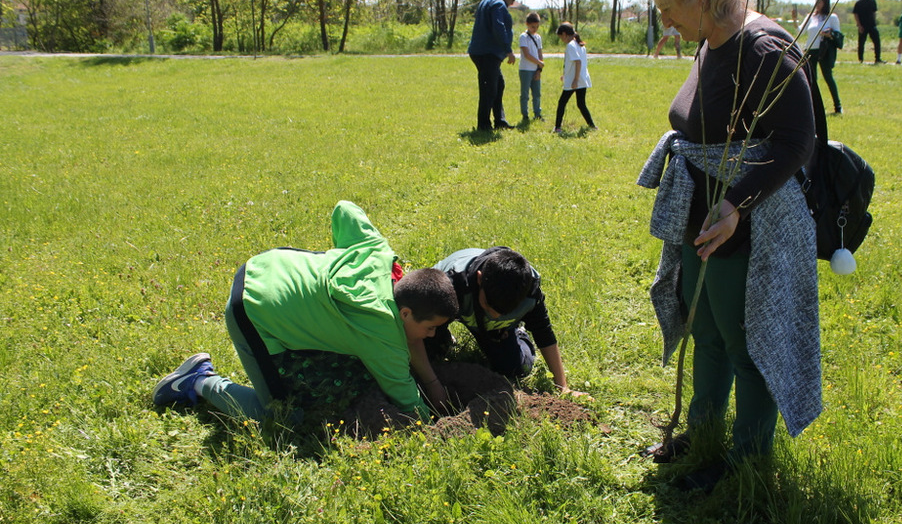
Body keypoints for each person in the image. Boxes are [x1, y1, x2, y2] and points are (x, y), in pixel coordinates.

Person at [636, 0, 821, 493]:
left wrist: (738, 203)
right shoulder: (710, 38)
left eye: (669, 10)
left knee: (747, 344)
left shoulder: (763, 47)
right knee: (707, 332)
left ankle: (743, 461)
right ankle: (703, 431)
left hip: (747, 224)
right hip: (702, 212)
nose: (666, 23)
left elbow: (798, 142)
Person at [152, 201, 460, 422]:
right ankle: (198, 380)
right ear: (405, 313)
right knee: (280, 415)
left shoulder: (378, 253)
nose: (431, 335)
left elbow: (345, 209)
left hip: (269, 264)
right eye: (430, 328)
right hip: (252, 309)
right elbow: (405, 396)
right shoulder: (383, 335)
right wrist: (431, 421)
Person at [416, 247, 584, 396]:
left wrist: (563, 387)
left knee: (514, 368)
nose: (495, 316)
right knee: (426, 353)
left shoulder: (528, 289)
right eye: (489, 306)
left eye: (504, 312)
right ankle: (443, 337)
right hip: (446, 307)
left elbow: (544, 332)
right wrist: (432, 385)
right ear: (480, 279)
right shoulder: (453, 283)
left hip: (490, 328)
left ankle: (517, 334)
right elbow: (416, 324)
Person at [469, 0, 519, 131]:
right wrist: (507, 49)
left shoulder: (488, 0)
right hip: (488, 53)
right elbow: (498, 26)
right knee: (489, 89)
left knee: (498, 85)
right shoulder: (498, 4)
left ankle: (500, 121)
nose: (512, 3)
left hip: (480, 51)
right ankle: (484, 125)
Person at [802, 0, 843, 115]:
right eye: (816, 1)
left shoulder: (832, 17)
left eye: (819, 2)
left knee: (828, 77)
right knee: (811, 79)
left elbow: (838, 35)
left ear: (825, 3)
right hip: (811, 50)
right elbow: (800, 30)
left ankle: (838, 106)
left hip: (824, 50)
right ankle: (813, 107)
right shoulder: (811, 17)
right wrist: (794, 19)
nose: (817, 4)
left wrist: (828, 34)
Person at [553, 22, 596, 133]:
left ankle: (557, 127)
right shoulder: (579, 44)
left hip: (575, 81)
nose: (561, 40)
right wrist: (566, 75)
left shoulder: (571, 45)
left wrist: (575, 80)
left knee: (562, 103)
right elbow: (572, 64)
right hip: (581, 78)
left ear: (564, 34)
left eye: (560, 37)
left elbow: (577, 62)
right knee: (581, 104)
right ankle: (592, 126)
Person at [518, 12, 545, 121]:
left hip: (535, 69)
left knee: (537, 93)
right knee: (525, 94)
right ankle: (525, 115)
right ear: (527, 24)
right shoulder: (523, 37)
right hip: (525, 69)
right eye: (533, 27)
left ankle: (537, 114)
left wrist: (539, 69)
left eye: (537, 27)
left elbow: (540, 53)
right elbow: (527, 54)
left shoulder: (538, 37)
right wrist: (539, 62)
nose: (535, 29)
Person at [852, 0, 884, 64]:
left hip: (872, 25)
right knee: (861, 42)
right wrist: (859, 25)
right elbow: (856, 14)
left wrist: (874, 21)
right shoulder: (859, 2)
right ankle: (861, 59)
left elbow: (874, 12)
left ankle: (878, 59)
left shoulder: (872, 1)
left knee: (877, 41)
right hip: (862, 25)